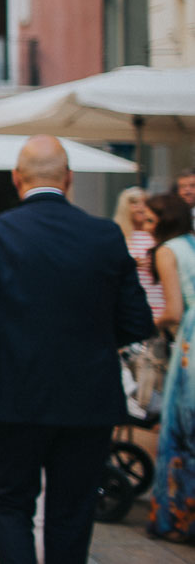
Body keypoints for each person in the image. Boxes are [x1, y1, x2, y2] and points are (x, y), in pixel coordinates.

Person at [0, 135, 154, 564]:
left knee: (10, 503)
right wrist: (91, 344)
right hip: (90, 396)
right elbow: (138, 321)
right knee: (72, 511)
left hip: (20, 392)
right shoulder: (105, 233)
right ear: (69, 179)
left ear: (15, 179)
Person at [144, 192, 195, 541]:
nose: (144, 227)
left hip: (190, 337)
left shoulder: (167, 250)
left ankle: (180, 518)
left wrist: (147, 324)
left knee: (181, 428)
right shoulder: (192, 242)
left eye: (149, 220)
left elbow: (174, 310)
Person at [114, 186, 165, 320]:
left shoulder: (157, 235)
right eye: (134, 203)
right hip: (132, 299)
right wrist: (131, 263)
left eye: (144, 203)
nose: (140, 207)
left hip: (158, 296)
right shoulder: (119, 235)